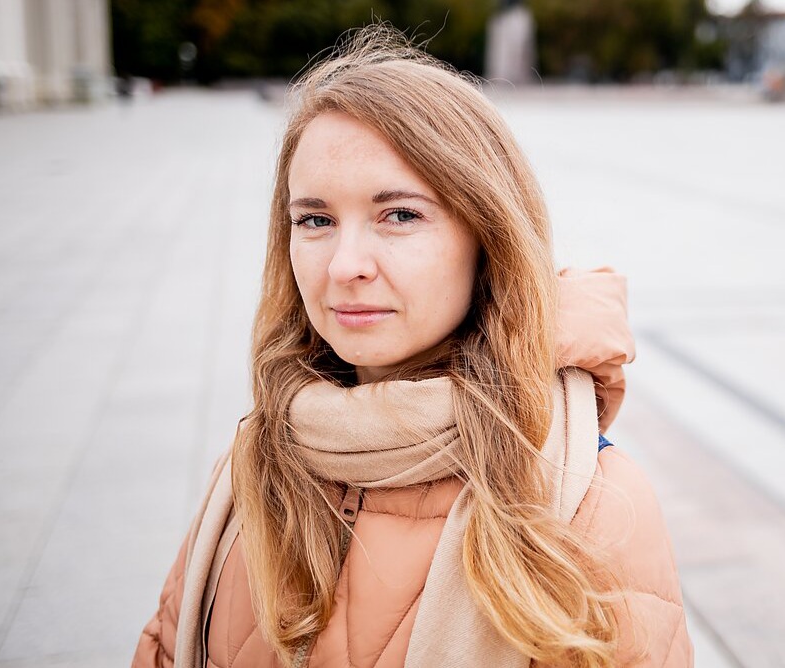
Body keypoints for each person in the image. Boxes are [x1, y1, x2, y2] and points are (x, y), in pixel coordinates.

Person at [132, 25, 692, 668]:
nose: (345, 265)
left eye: (399, 215)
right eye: (315, 219)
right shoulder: (250, 466)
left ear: (488, 237)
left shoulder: (593, 503)